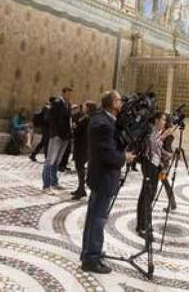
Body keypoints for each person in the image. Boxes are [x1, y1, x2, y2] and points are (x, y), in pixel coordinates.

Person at [80, 90, 135, 274]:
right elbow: (109, 155)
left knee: (93, 216)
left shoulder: (102, 119)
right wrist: (124, 158)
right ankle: (91, 259)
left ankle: (89, 252)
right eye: (119, 100)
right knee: (98, 218)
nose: (122, 103)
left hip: (99, 176)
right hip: (103, 177)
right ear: (112, 103)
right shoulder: (103, 123)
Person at [136, 112, 173, 236]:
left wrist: (164, 153)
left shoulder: (157, 131)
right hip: (149, 165)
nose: (165, 122)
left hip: (156, 165)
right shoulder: (151, 130)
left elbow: (157, 148)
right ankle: (142, 226)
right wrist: (163, 137)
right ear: (156, 120)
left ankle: (144, 223)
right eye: (163, 119)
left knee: (149, 195)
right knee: (147, 195)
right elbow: (151, 145)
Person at [42, 87, 73, 193]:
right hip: (57, 136)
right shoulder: (57, 103)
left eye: (70, 94)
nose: (69, 96)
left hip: (65, 137)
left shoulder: (68, 104)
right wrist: (54, 134)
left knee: (57, 161)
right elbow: (51, 119)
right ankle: (46, 186)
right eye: (68, 94)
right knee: (50, 160)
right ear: (63, 93)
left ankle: (54, 182)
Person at [71, 101, 95, 200]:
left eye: (85, 107)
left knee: (80, 167)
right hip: (87, 146)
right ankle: (81, 188)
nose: (83, 108)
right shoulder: (93, 118)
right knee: (81, 168)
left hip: (81, 146)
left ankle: (81, 189)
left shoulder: (86, 119)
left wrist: (74, 128)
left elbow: (77, 131)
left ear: (88, 108)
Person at [159, 117, 178, 212]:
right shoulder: (168, 131)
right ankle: (172, 203)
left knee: (164, 181)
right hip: (165, 159)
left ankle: (172, 203)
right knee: (164, 181)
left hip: (163, 159)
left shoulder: (165, 132)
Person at [29, 97, 54, 162]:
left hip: (46, 128)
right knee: (46, 143)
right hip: (46, 128)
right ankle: (47, 158)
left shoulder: (48, 107)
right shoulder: (48, 108)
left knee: (43, 142)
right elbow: (46, 119)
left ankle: (33, 155)